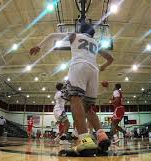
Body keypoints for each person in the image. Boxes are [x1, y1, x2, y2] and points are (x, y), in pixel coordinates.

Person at [30, 22, 114, 153]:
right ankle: (102, 136)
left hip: (79, 66)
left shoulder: (75, 35)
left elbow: (53, 35)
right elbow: (110, 58)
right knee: (88, 108)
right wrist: (103, 66)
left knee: (75, 99)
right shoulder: (95, 43)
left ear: (81, 30)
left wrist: (38, 46)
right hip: (94, 71)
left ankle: (85, 140)